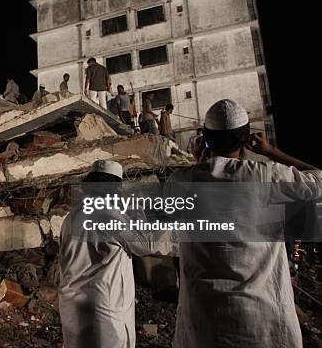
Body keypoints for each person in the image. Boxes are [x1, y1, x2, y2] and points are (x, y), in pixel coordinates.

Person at [169, 99, 322, 348]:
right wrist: (271, 152)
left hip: (206, 326)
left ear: (204, 139)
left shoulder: (180, 182)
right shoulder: (266, 175)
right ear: (246, 138)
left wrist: (200, 163)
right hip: (262, 323)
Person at [59, 160, 159, 348]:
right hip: (103, 312)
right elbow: (147, 245)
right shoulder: (109, 215)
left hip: (72, 307)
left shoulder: (70, 217)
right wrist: (134, 209)